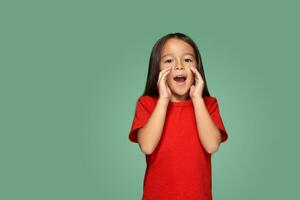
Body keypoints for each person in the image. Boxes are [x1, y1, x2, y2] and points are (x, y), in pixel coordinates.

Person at [128, 32, 229, 200]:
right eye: (169, 60)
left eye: (187, 59)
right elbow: (147, 146)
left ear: (197, 68)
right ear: (157, 69)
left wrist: (197, 98)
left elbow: (212, 146)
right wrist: (164, 99)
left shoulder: (208, 105)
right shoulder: (147, 104)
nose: (179, 66)